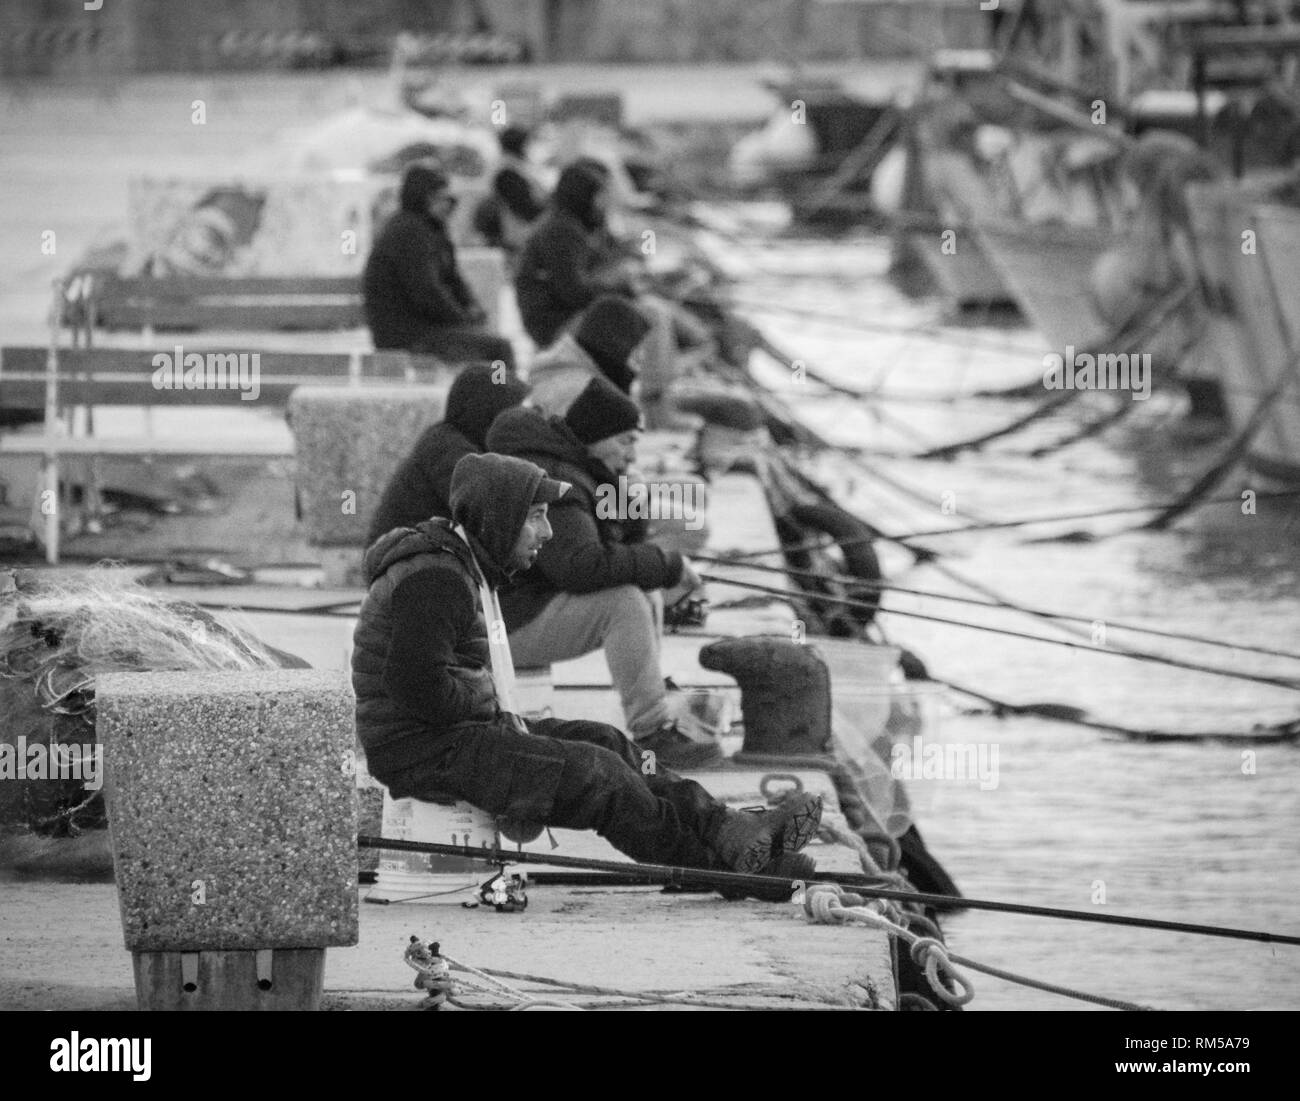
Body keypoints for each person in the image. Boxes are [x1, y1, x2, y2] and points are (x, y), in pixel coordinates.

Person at [350, 451, 822, 897]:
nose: (548, 533)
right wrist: (484, 694)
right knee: (599, 778)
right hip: (423, 750)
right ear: (498, 518)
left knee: (608, 742)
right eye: (534, 516)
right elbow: (414, 686)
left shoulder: (456, 562)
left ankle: (726, 828)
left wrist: (484, 702)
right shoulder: (436, 578)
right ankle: (720, 869)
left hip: (454, 734)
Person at [485, 378, 714, 767]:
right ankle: (653, 731)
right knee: (622, 601)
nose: (632, 452)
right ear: (596, 437)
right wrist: (669, 564)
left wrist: (630, 499)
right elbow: (579, 568)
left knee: (641, 588)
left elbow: (623, 549)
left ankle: (652, 692)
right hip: (501, 628)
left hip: (524, 608)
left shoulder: (582, 467)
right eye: (625, 441)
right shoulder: (557, 480)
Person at [363, 163, 516, 369]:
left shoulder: (431, 230)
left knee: (488, 341)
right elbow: (427, 293)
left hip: (426, 328)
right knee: (499, 351)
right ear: (422, 199)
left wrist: (472, 310)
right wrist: (462, 319)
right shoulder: (409, 233)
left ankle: (497, 393)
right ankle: (503, 395)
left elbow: (453, 280)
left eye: (448, 198)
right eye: (438, 198)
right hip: (407, 334)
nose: (445, 205)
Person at [366, 363, 530, 546]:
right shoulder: (449, 450)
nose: (519, 424)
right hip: (403, 562)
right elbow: (489, 513)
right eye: (513, 415)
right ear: (488, 414)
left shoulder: (452, 441)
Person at [526, 294, 651, 415]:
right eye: (635, 348)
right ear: (615, 347)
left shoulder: (563, 372)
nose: (641, 357)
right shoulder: (584, 395)